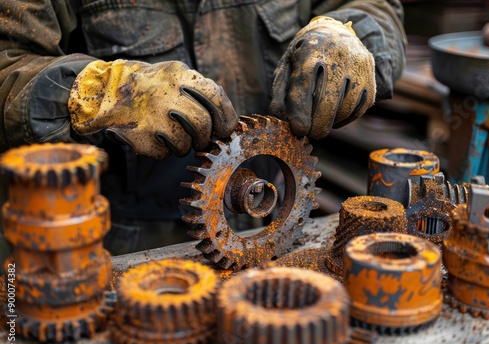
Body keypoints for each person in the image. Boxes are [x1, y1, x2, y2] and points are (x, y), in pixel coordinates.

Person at [0, 0, 406, 255]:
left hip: (271, 224)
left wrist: (347, 32)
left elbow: (376, 6)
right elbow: (8, 61)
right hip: (125, 238)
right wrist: (101, 91)